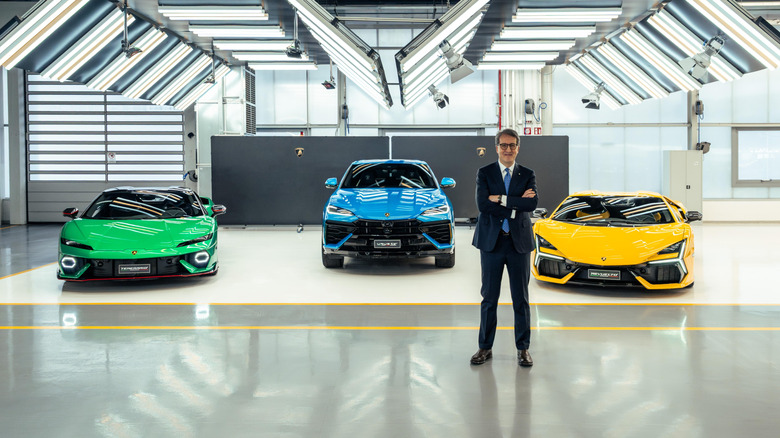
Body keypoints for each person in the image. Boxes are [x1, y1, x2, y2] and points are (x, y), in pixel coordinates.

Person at [470, 128, 538, 367]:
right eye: (503, 145)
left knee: (521, 299)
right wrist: (515, 206)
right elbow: (482, 205)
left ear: (518, 147)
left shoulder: (527, 174)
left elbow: (532, 204)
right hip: (492, 243)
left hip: (519, 244)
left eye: (512, 145)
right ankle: (484, 347)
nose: (508, 149)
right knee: (489, 298)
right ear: (497, 148)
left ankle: (523, 348)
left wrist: (501, 198)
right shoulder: (485, 172)